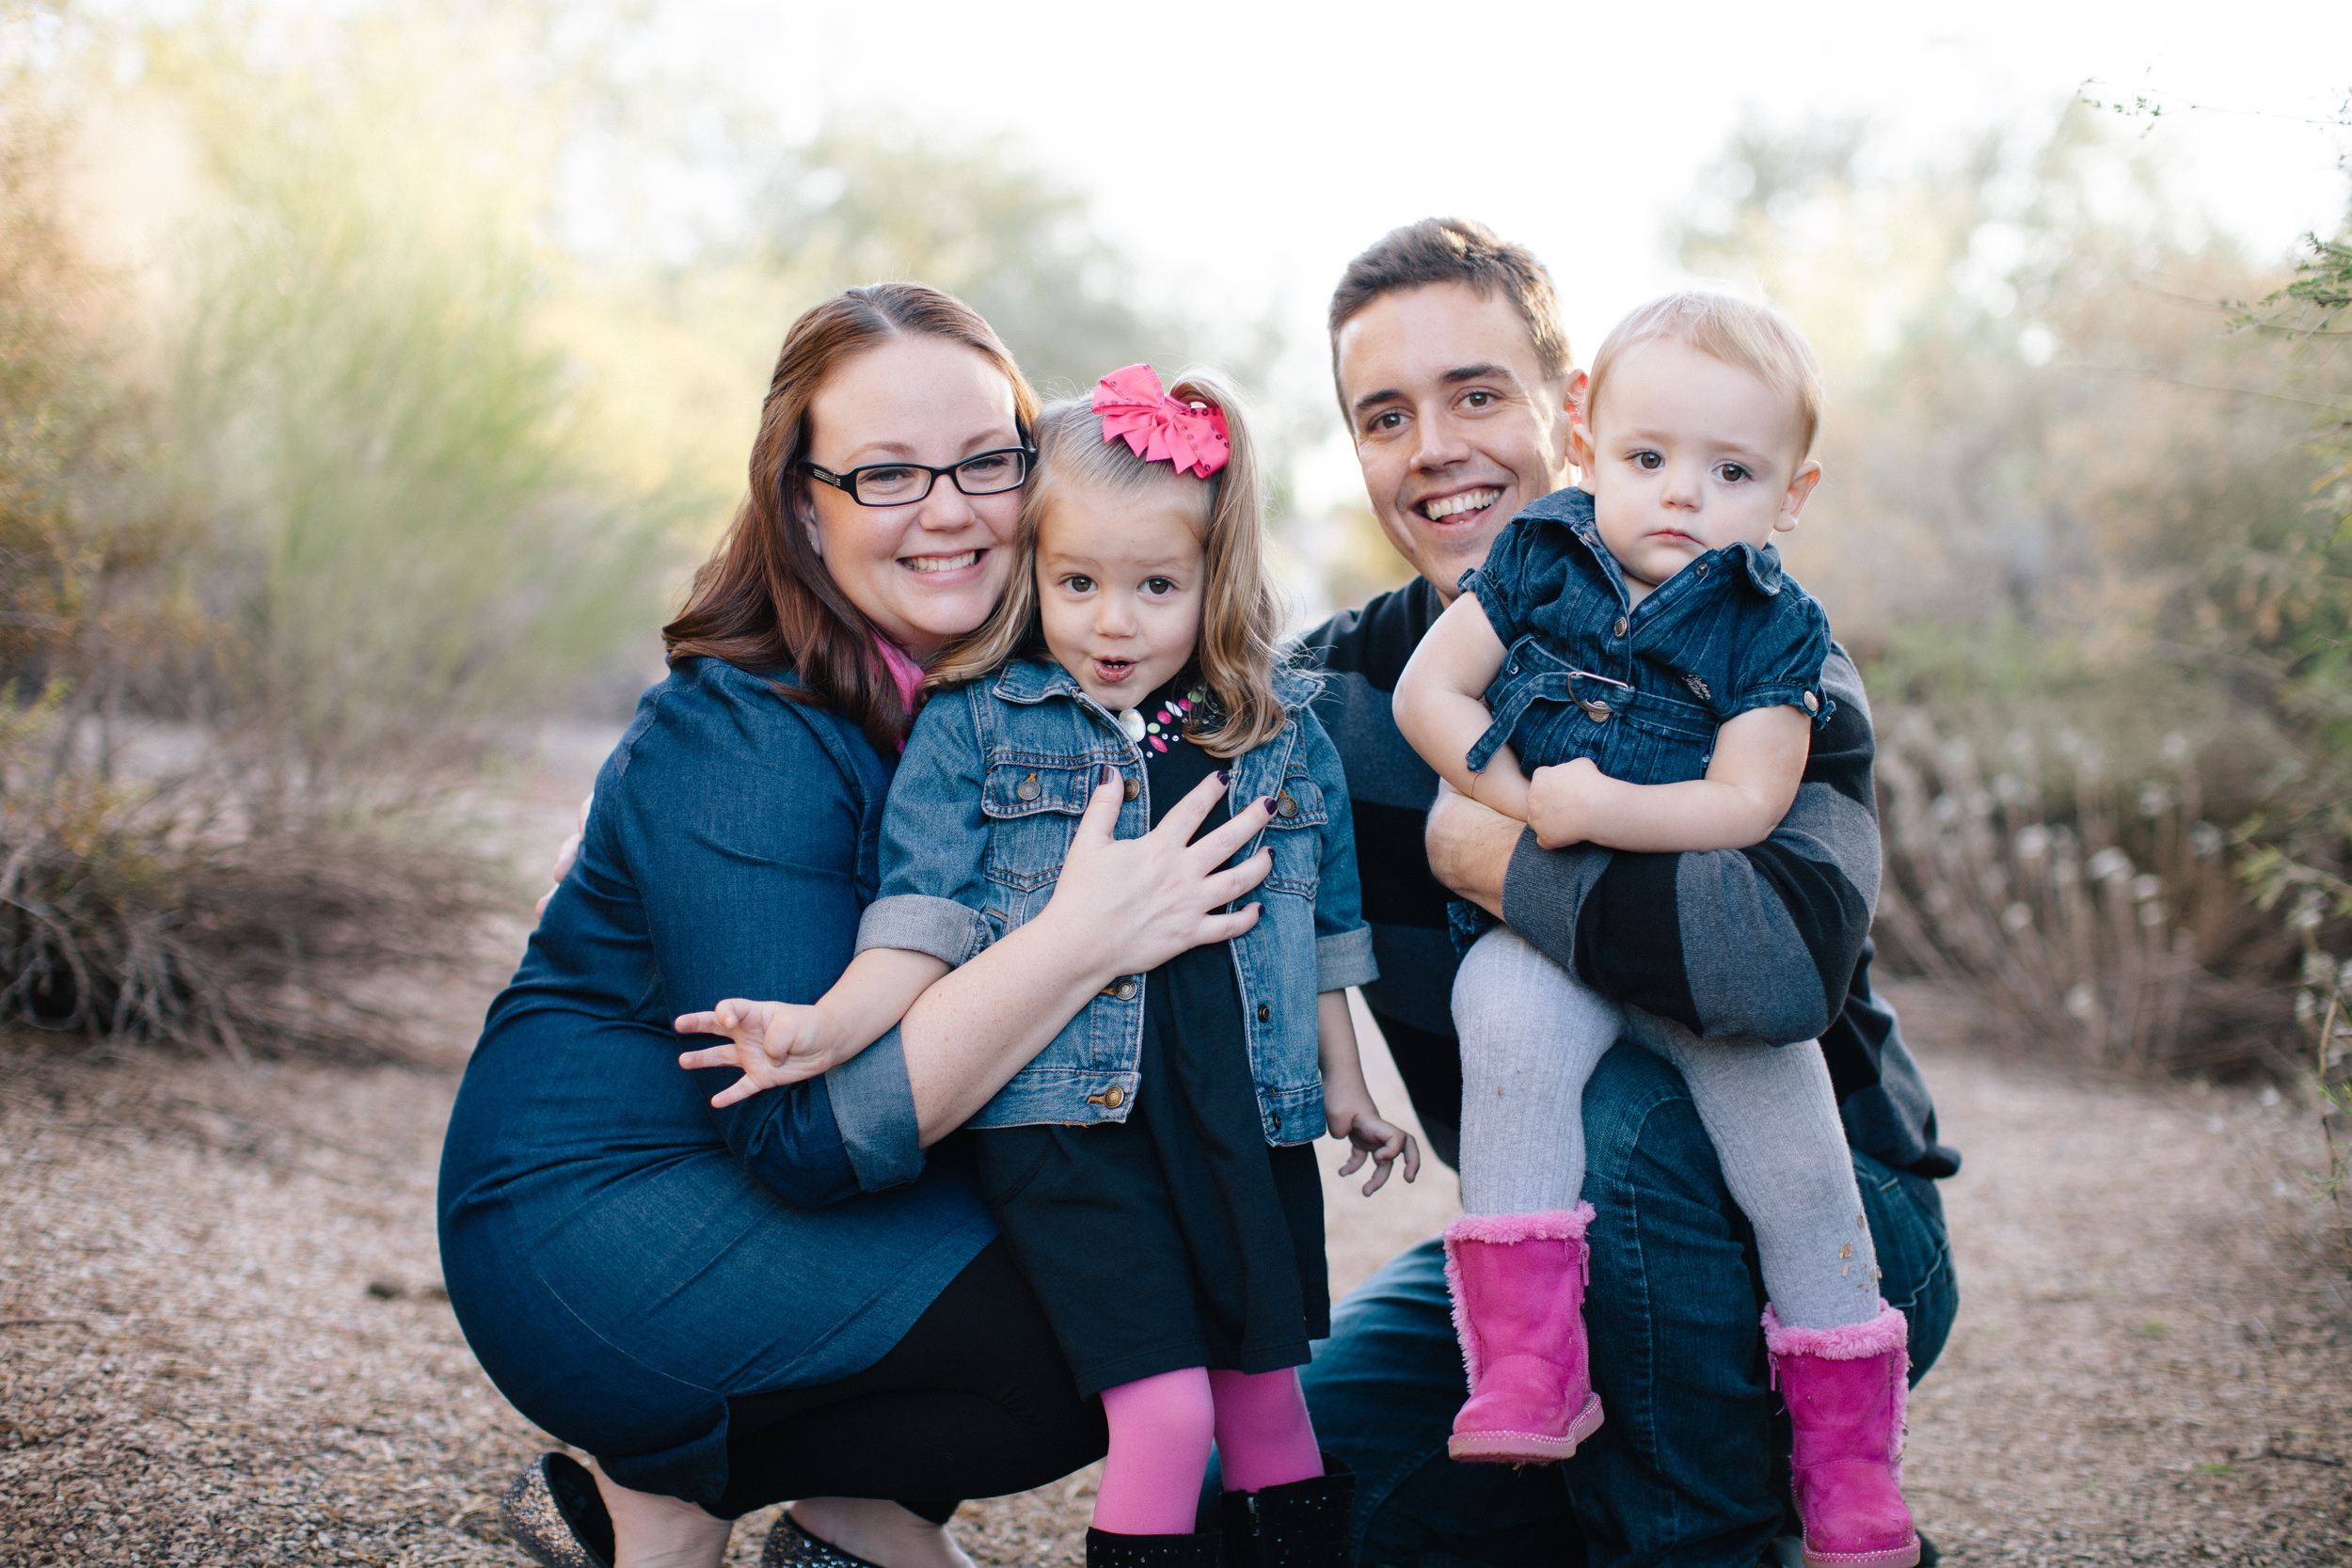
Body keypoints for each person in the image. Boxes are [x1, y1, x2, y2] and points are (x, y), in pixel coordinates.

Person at [439, 286, 1286, 1568]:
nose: (947, 510)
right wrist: (1078, 938)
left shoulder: (1023, 700)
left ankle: (852, 1517)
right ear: (803, 504)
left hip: (780, 1180)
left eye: (986, 461)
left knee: (1161, 1232)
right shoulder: (736, 737)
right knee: (1111, 1306)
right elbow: (803, 1134)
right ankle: (664, 1480)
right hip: (609, 1219)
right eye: (886, 473)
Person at [1278, 220, 1960, 1568]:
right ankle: (1568, 1444)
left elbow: (1775, 973)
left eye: (1477, 394)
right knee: (1262, 1509)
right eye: (1385, 416)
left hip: (1830, 1220)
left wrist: (1506, 858)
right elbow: (1127, 691)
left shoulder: (1759, 645)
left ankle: (1724, 1536)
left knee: (1627, 1115)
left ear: (1566, 411)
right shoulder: (1336, 702)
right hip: (1550, 1247)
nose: (1435, 448)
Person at [671, 364, 1420, 1568]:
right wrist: (833, 1025)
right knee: (1165, 1413)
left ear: (1212, 578)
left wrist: (1345, 1083)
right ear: (1031, 571)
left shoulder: (1276, 732)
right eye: (1077, 583)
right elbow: (921, 913)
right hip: (1076, 1133)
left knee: (1269, 1402)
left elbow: (1321, 922)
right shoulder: (980, 721)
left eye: (1155, 586)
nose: (1113, 622)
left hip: (1240, 1123)